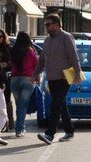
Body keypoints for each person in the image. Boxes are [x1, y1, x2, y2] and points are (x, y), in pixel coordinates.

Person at [34, 14, 82, 144]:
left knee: (55, 105)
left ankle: (49, 134)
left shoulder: (66, 37)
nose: (46, 27)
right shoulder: (47, 41)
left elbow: (73, 56)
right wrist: (35, 74)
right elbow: (42, 60)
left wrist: (78, 73)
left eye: (48, 25)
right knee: (61, 104)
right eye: (46, 25)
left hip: (65, 76)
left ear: (56, 24)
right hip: (51, 77)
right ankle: (69, 130)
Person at [10, 31, 40, 137]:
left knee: (19, 105)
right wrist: (38, 78)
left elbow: (10, 64)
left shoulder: (13, 50)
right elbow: (37, 65)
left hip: (14, 80)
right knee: (23, 106)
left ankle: (21, 127)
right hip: (27, 79)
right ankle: (19, 129)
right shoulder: (31, 51)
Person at [0, 28, 15, 131]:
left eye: (0, 36)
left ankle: (10, 121)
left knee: (6, 99)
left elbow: (11, 62)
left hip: (7, 76)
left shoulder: (8, 48)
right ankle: (2, 123)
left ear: (4, 37)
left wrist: (5, 64)